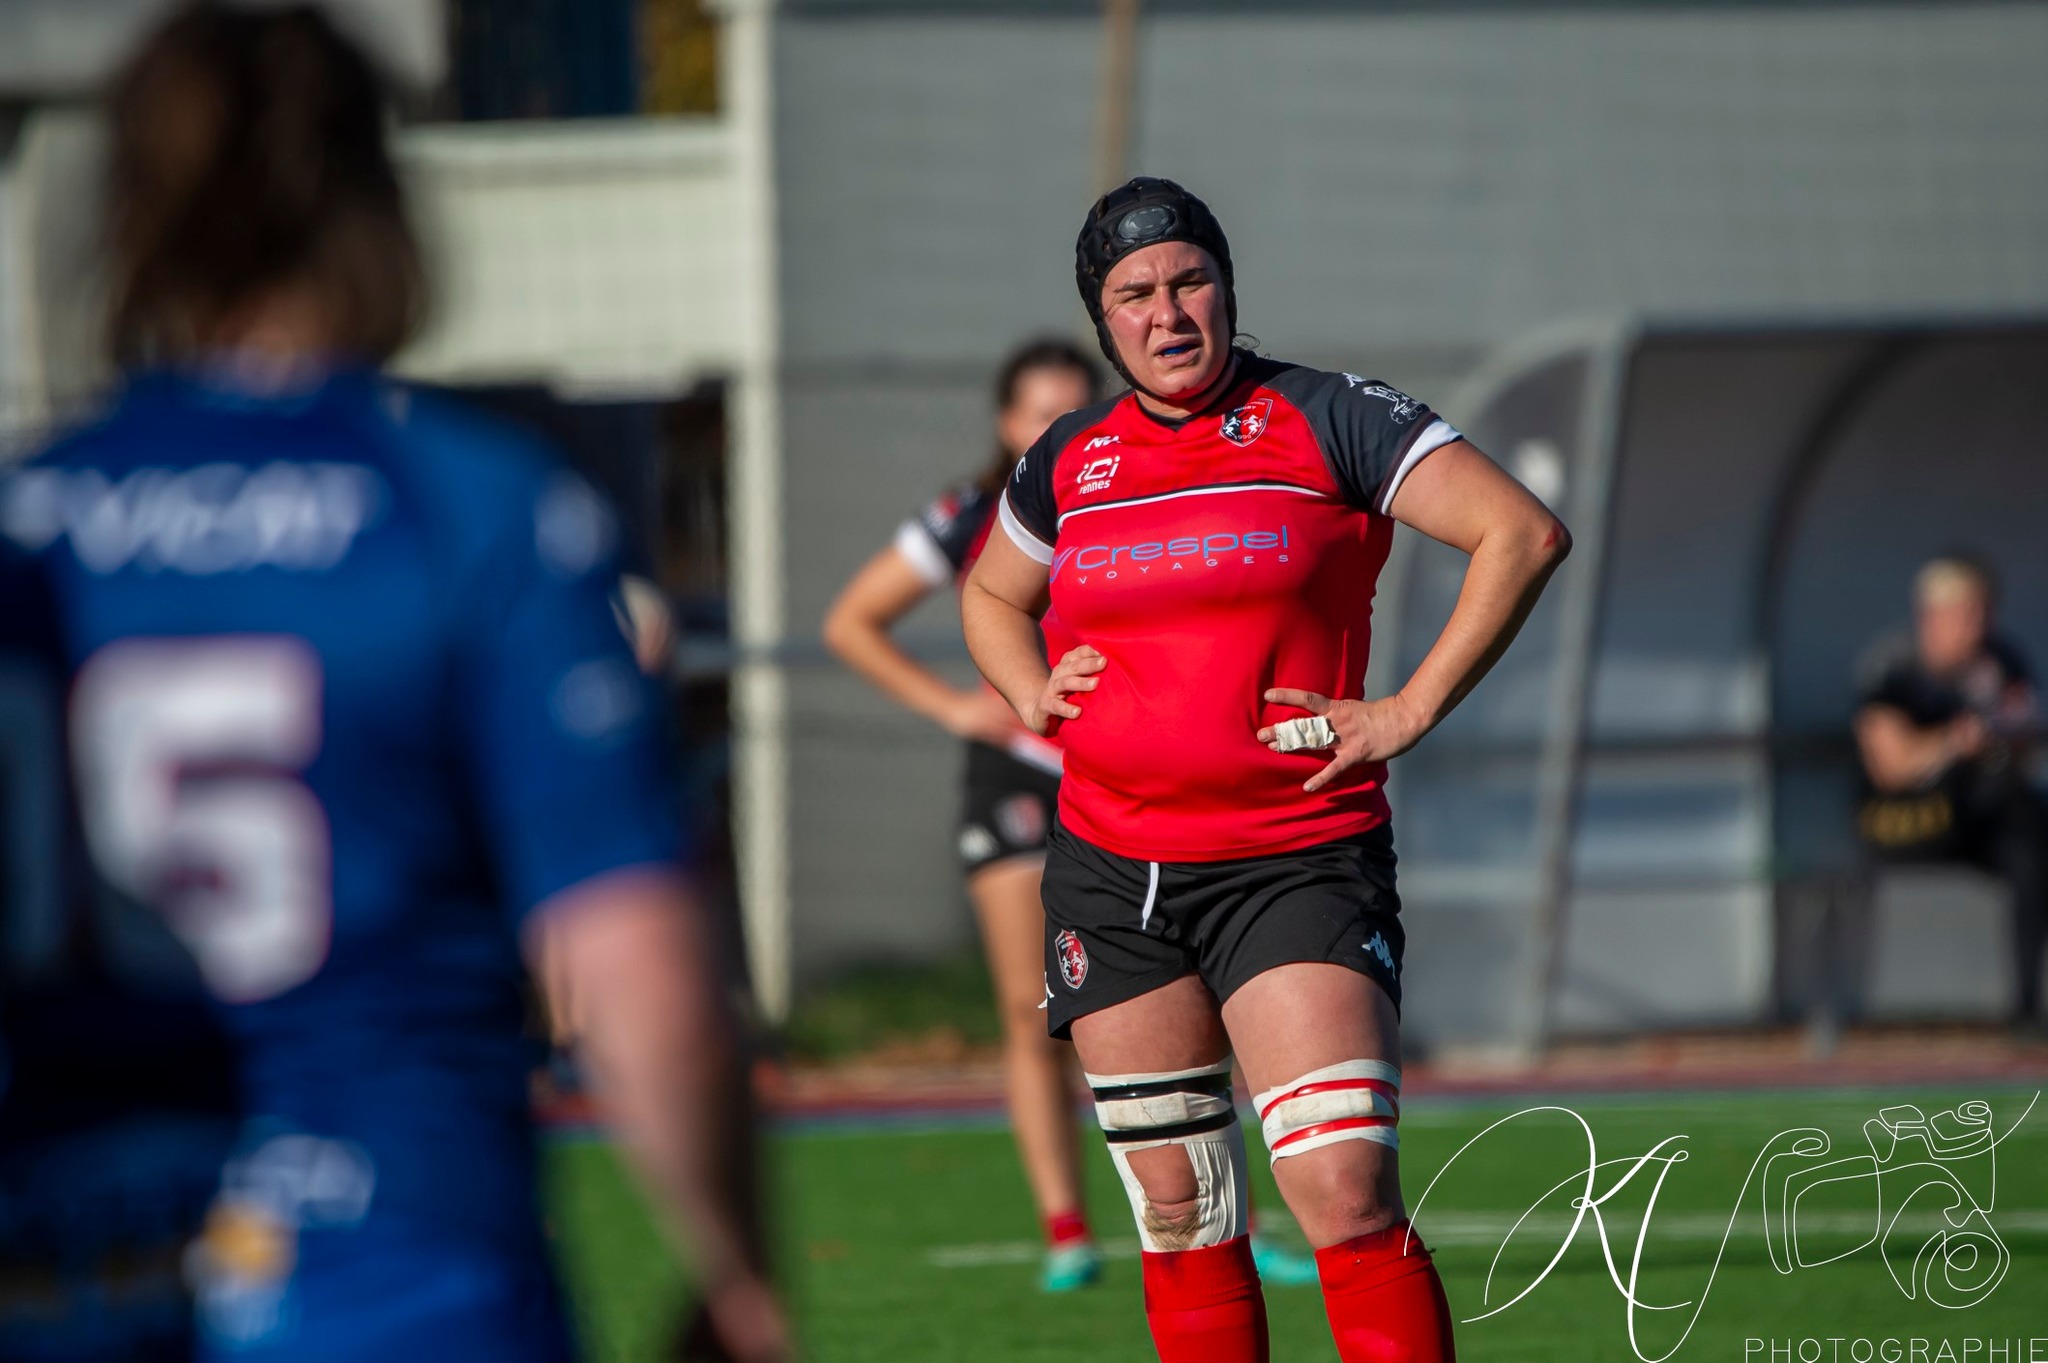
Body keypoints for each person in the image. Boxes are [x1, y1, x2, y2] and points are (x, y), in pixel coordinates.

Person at [0, 7, 785, 1362]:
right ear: (376, 202)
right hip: (405, 1271)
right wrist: (742, 1274)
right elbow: (638, 958)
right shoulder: (465, 506)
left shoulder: (27, 527)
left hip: (70, 1274)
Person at [962, 177, 1571, 1363]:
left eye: (1188, 280)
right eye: (1133, 293)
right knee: (1181, 1214)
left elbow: (1519, 531)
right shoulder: (1068, 455)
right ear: (1102, 318)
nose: (1166, 311)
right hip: (1110, 872)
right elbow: (990, 592)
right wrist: (1026, 689)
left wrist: (1405, 709)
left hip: (1291, 860)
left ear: (1227, 287)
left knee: (1341, 1189)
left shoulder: (1329, 414)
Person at [822, 339, 1108, 1290]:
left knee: (1176, 999)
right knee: (1035, 1008)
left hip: (1121, 768)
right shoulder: (971, 513)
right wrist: (952, 706)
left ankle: (1229, 1214)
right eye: (1040, 412)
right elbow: (852, 620)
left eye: (1076, 409)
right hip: (1016, 774)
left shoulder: (1136, 495)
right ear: (1006, 422)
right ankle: (1066, 1230)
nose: (1058, 429)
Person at [1854, 554, 2046, 1027]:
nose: (1978, 626)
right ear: (1931, 616)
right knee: (2021, 821)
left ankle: (2026, 1004)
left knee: (2031, 840)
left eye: (1984, 612)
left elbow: (2024, 743)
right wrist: (1953, 743)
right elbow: (1890, 767)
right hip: (1902, 819)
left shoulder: (1999, 662)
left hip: (1979, 815)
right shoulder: (1895, 668)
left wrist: (2011, 729)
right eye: (1966, 613)